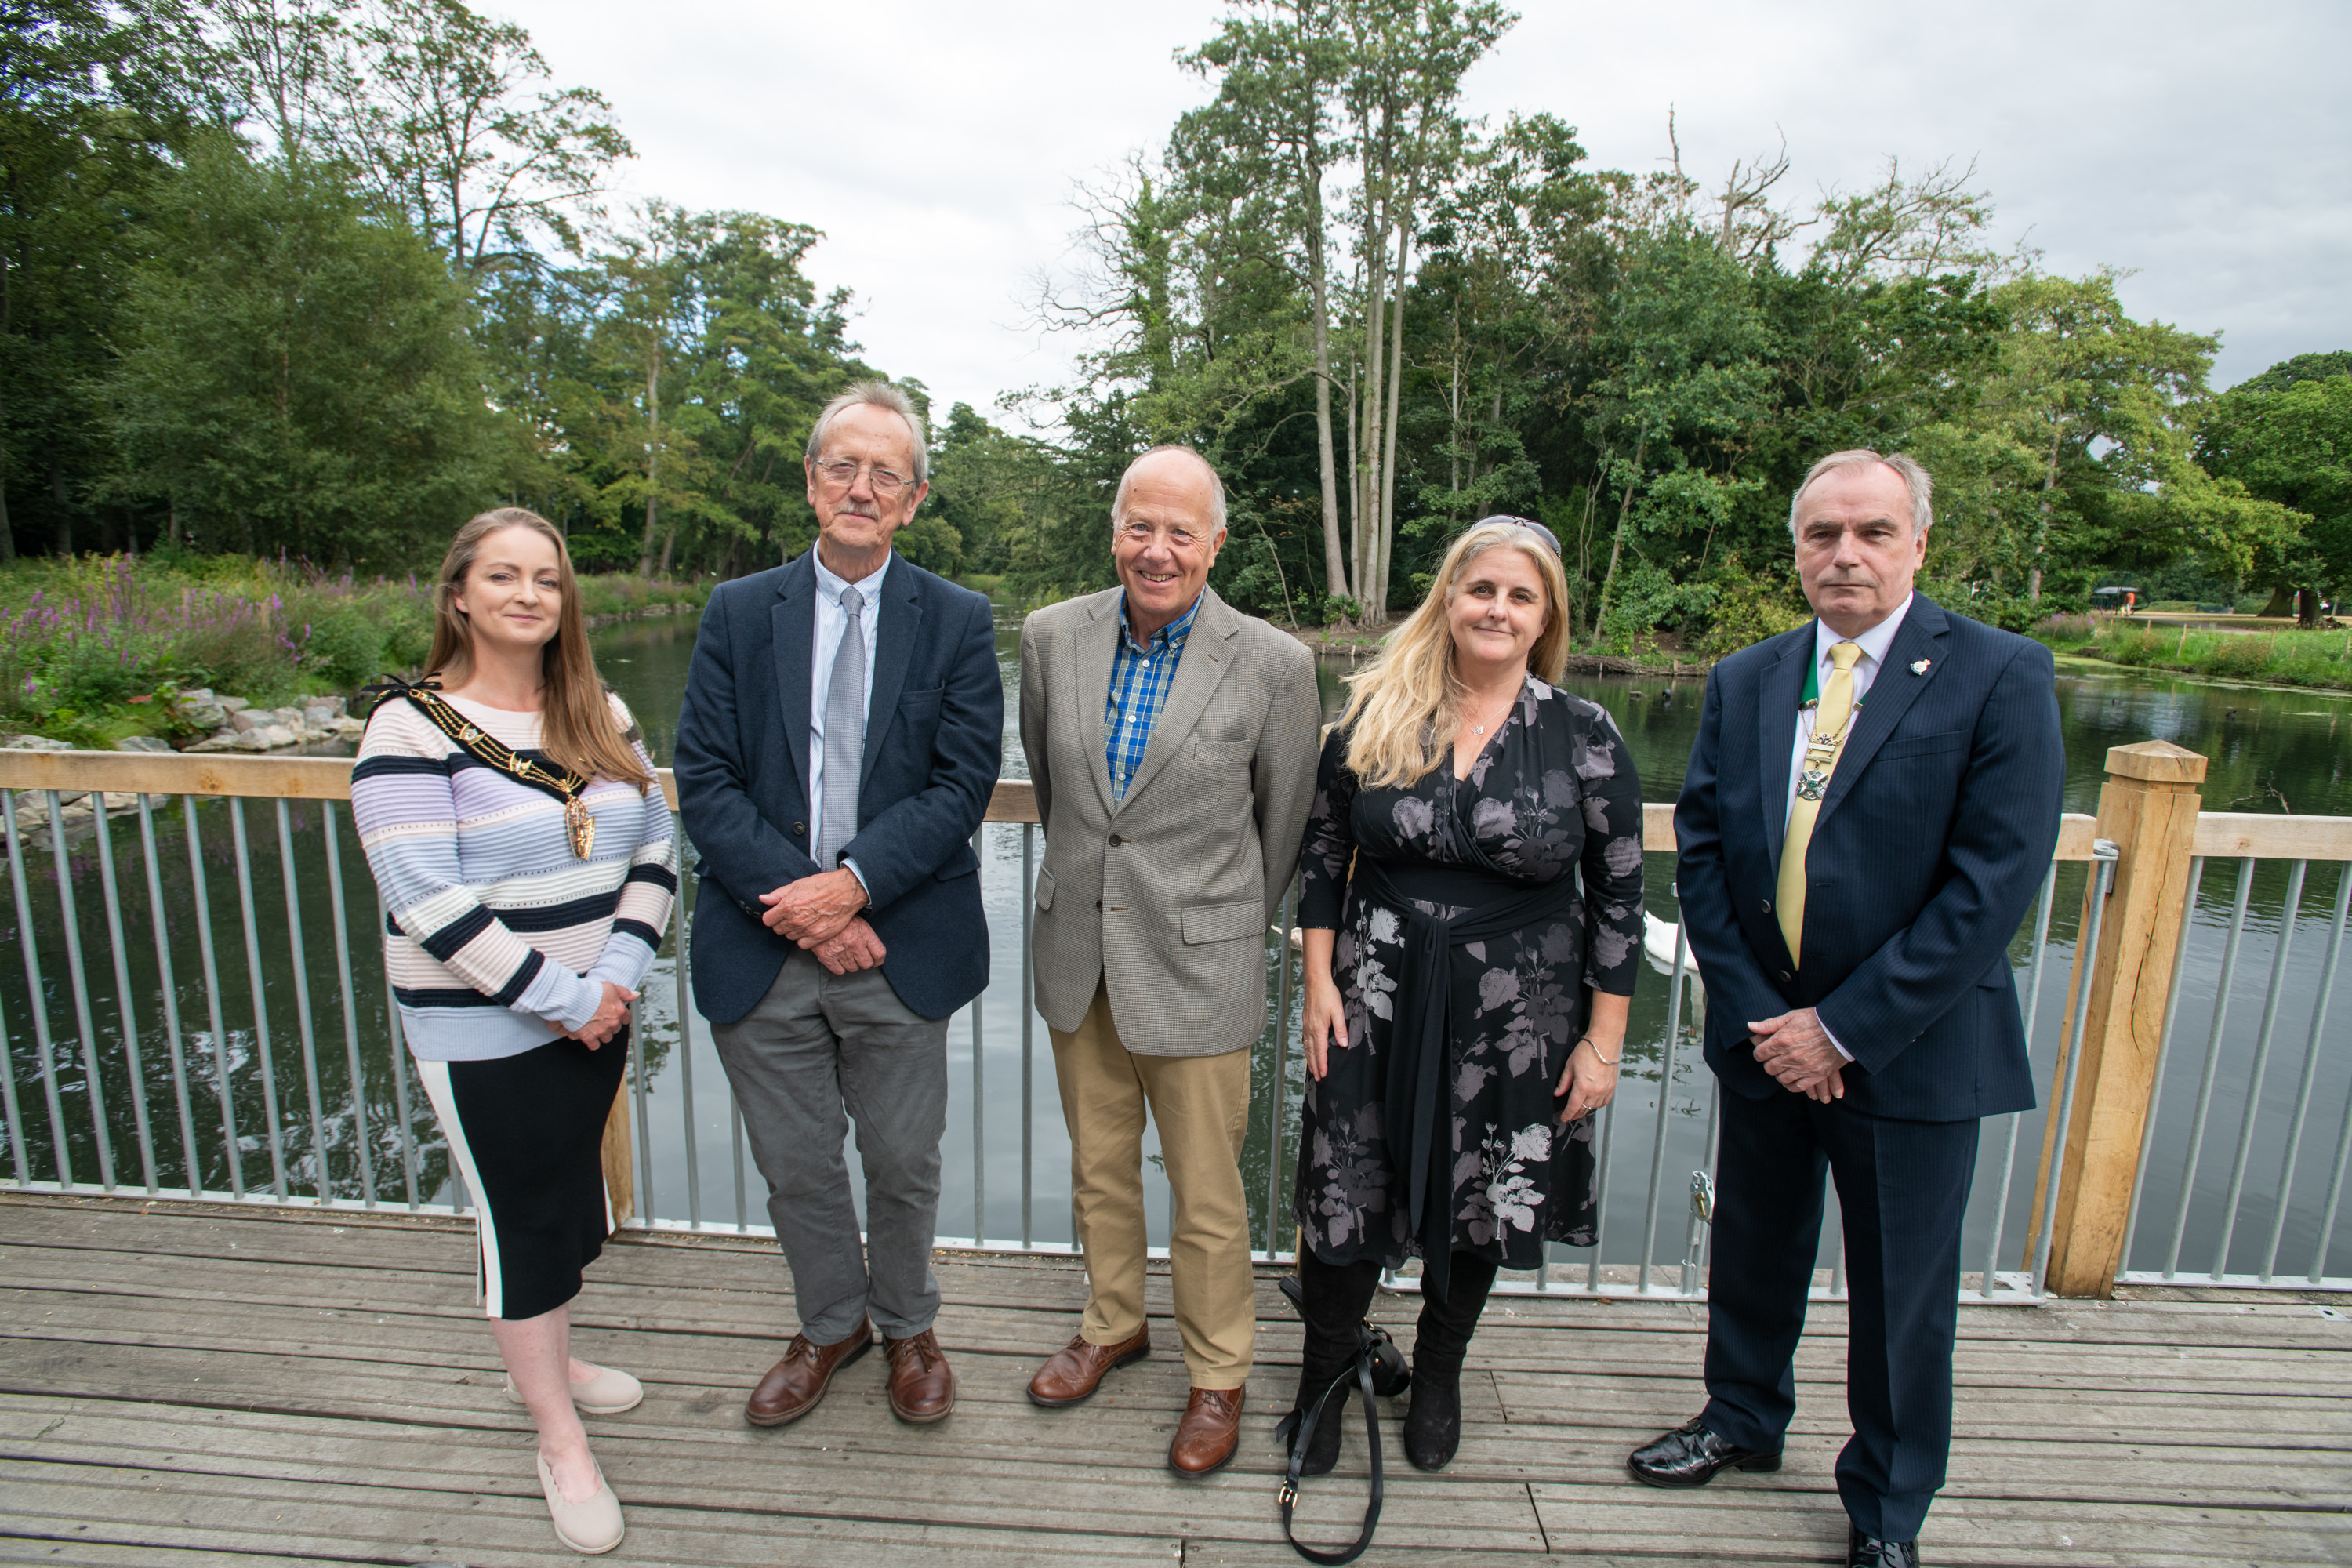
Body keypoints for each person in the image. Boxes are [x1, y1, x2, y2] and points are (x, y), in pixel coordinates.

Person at [1629, 452, 2063, 1568]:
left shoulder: (1999, 673)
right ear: (1798, 552)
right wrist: (1777, 1021)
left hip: (1911, 1048)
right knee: (1755, 1244)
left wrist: (1845, 1027)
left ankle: (1886, 1507)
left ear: (1919, 542)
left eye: (1872, 531)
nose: (1846, 554)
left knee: (1902, 1294)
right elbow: (1712, 855)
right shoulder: (1750, 679)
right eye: (1822, 535)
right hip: (1768, 1041)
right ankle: (1742, 1417)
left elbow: (1994, 883)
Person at [673, 381, 1001, 1433]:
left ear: (914, 499)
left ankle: (909, 1324)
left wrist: (855, 886)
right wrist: (804, 905)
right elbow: (705, 778)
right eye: (842, 467)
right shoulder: (737, 612)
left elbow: (962, 784)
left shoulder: (957, 621)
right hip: (761, 944)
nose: (862, 488)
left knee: (903, 1163)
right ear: (812, 482)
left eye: (886, 474)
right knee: (797, 1167)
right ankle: (830, 1325)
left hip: (899, 944)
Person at [352, 507, 678, 1555]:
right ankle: (556, 1436)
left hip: (600, 1014)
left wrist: (620, 971)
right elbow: (428, 902)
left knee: (568, 1200)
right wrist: (568, 996)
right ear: (458, 596)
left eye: (546, 577)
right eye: (503, 576)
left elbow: (655, 848)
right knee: (519, 1221)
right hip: (485, 1031)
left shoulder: (600, 710)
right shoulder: (406, 728)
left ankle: (556, 1361)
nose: (529, 594)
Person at [1290, 517, 1643, 1475]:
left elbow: (1619, 892)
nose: (1497, 607)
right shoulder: (1375, 711)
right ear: (1448, 597)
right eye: (1481, 588)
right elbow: (1325, 854)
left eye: (1520, 595)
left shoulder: (1583, 732)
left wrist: (1602, 1040)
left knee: (1486, 1182)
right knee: (1346, 1175)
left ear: (1545, 618)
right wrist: (1319, 980)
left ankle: (1439, 1369)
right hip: (1374, 984)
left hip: (1519, 1007)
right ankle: (1325, 1369)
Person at [1018, 445, 1321, 1476]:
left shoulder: (1275, 664)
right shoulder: (1051, 637)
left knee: (1207, 1193)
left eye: (1180, 531)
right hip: (1077, 952)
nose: (1158, 549)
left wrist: (1213, 920)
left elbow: (1281, 830)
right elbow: (1070, 814)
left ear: (1215, 543)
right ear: (1114, 533)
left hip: (1199, 965)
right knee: (1099, 1170)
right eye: (1139, 526)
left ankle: (1218, 1371)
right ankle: (1112, 1323)